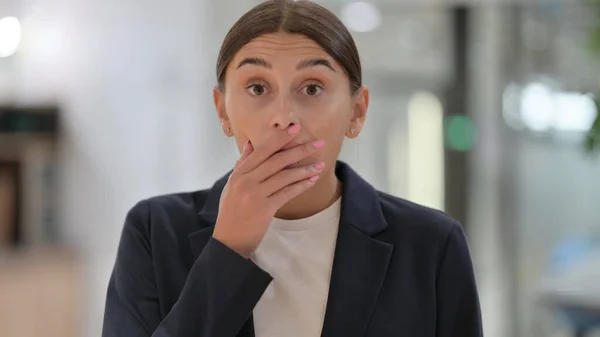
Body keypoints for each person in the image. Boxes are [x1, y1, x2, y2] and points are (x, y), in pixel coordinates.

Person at [101, 1, 483, 336]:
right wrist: (228, 251)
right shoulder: (154, 232)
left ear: (357, 110)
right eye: (257, 88)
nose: (284, 118)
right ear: (222, 110)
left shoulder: (431, 244)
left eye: (312, 88)